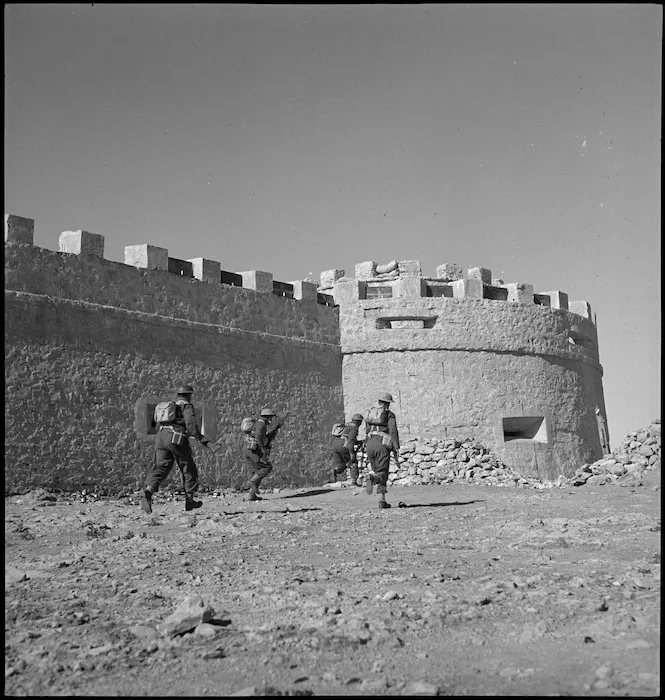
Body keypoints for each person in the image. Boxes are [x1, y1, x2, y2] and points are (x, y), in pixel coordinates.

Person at [140, 384, 210, 514]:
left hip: (161, 437)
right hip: (176, 437)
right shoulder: (186, 406)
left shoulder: (169, 407)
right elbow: (190, 423)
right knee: (188, 467)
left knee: (161, 467)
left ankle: (148, 491)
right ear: (189, 395)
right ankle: (190, 500)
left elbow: (157, 426)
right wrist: (200, 438)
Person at [364, 392, 400, 509]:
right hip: (382, 444)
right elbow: (393, 431)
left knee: (378, 470)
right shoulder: (389, 415)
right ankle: (372, 479)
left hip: (370, 444)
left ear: (379, 402)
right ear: (388, 404)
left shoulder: (370, 414)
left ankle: (382, 501)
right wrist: (396, 448)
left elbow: (366, 431)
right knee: (382, 472)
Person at [243, 407, 283, 501]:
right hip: (254, 451)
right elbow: (258, 437)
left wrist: (276, 428)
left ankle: (251, 495)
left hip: (249, 450)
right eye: (271, 417)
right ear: (268, 417)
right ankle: (252, 482)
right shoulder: (261, 424)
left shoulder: (258, 423)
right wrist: (263, 448)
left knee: (256, 471)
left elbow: (265, 437)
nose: (271, 420)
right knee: (266, 468)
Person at [331, 413, 365, 485]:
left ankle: (335, 472)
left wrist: (359, 442)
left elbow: (346, 437)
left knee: (341, 463)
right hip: (343, 445)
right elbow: (350, 441)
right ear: (358, 421)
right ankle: (354, 481)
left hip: (335, 444)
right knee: (352, 462)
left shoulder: (347, 425)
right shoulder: (354, 428)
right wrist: (351, 453)